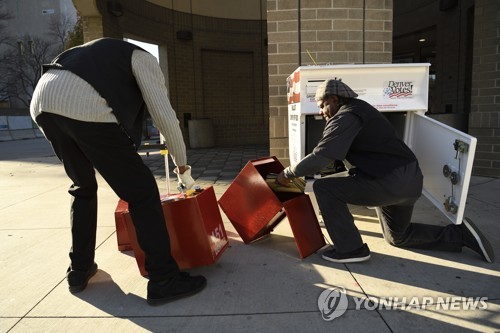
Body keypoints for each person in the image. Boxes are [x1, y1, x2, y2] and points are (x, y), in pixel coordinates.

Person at [30, 38, 206, 305]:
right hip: (82, 104)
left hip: (42, 103)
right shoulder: (146, 60)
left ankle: (79, 270)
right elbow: (165, 116)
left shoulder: (99, 54)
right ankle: (164, 280)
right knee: (143, 191)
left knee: (83, 187)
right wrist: (183, 168)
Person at [277, 78, 495, 264]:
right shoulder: (363, 109)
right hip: (409, 181)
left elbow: (321, 157)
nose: (321, 111)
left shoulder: (345, 116)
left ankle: (351, 249)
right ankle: (461, 235)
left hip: (389, 181)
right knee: (399, 236)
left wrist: (287, 173)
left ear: (334, 100)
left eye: (322, 105)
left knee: (325, 189)